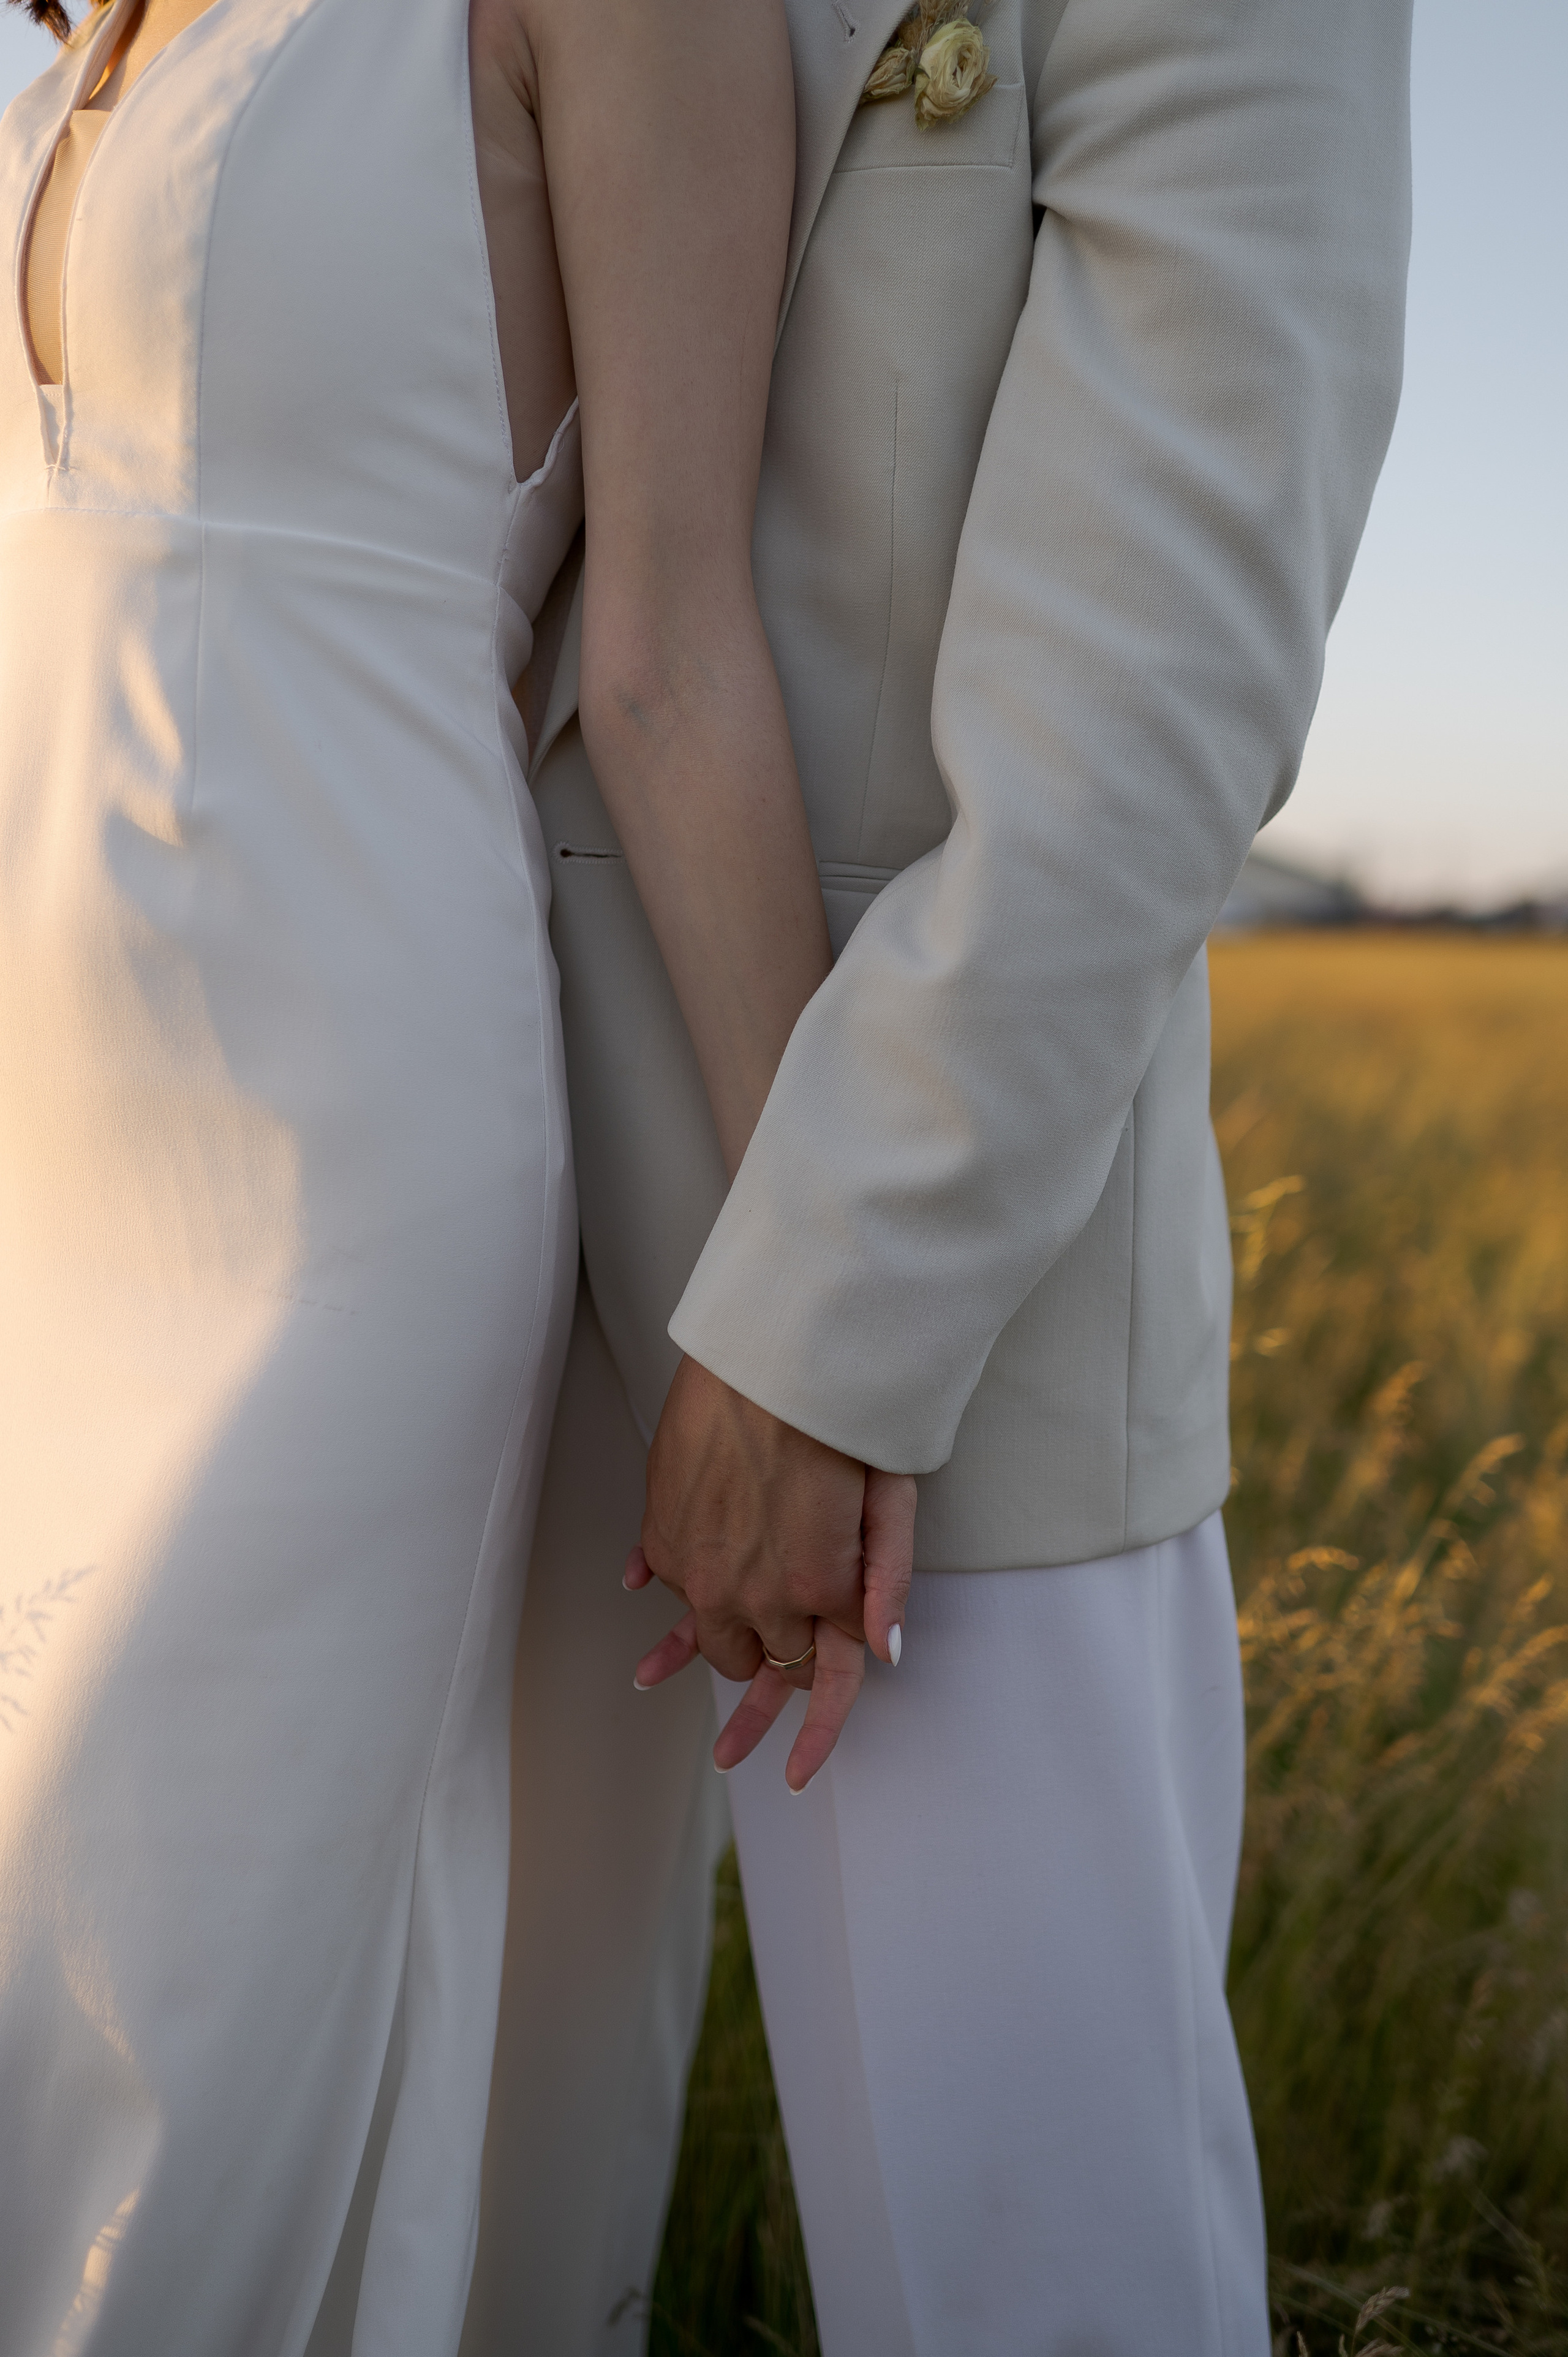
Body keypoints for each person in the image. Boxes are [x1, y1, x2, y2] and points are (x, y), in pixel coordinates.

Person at [476, 0, 1415, 2348]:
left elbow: (1150, 699)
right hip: (417, 1223)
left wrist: (829, 1320)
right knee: (467, 2213)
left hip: (901, 1344)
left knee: (1016, 2257)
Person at [0, 0, 832, 2344]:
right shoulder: (75, 59)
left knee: (190, 1986)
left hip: (343, 1157)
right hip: (33, 1192)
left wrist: (821, 1290)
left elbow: (669, 653)